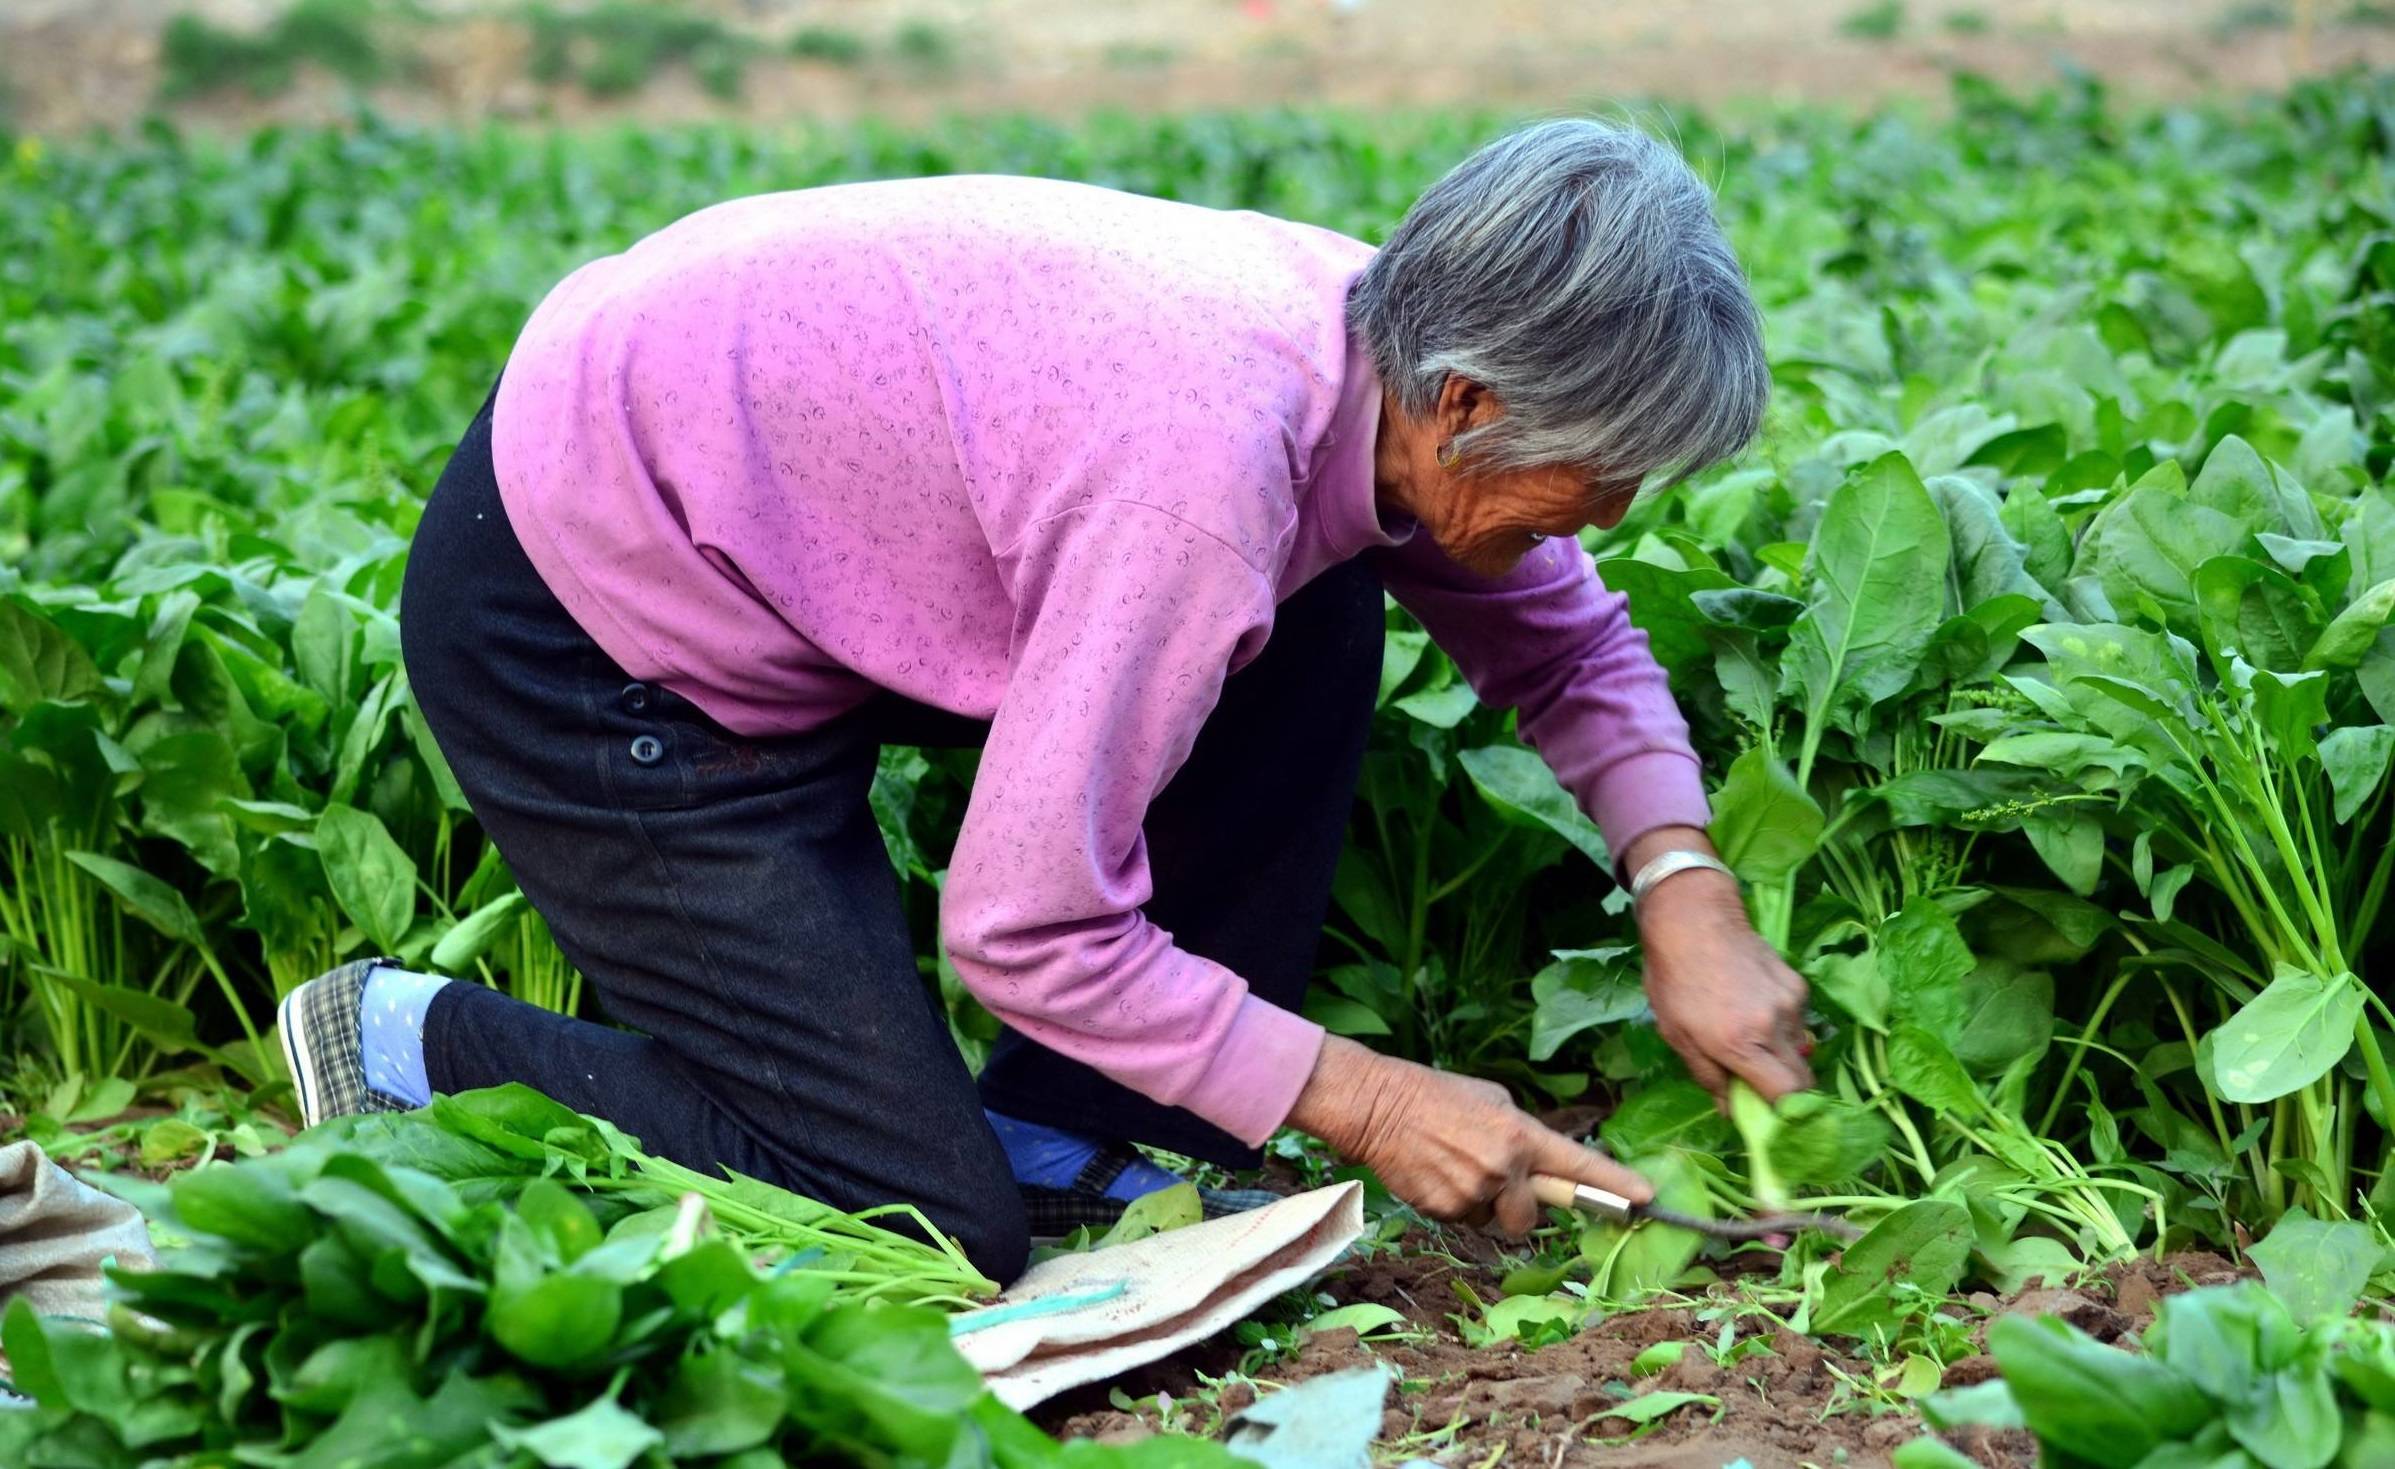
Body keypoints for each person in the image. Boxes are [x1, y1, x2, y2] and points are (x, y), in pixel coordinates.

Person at [278, 119, 1812, 1285]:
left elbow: (1564, 645)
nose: (1605, 511)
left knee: (1327, 597)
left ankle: (1078, 1134)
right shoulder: (1203, 483)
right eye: (1597, 473)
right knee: (917, 1211)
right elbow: (1024, 930)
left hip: (787, 529)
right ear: (1469, 400)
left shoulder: (1381, 360)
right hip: (590, 622)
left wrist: (1685, 886)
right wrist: (1364, 1096)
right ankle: (409, 1038)